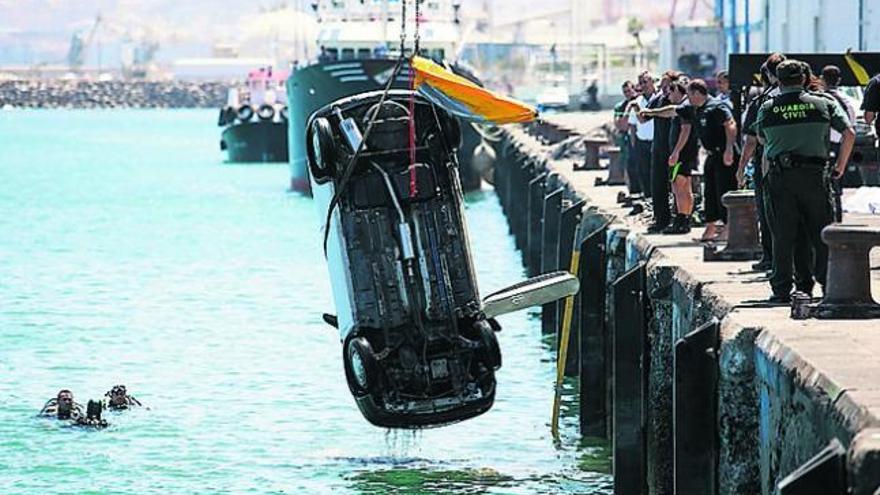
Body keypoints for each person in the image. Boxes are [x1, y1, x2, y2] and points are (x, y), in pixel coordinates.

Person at [751, 60, 855, 302]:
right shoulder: (824, 103)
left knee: (784, 235)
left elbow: (762, 139)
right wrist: (840, 165)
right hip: (815, 175)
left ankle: (783, 289)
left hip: (780, 177)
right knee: (821, 232)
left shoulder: (767, 107)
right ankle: (828, 284)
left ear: (777, 80)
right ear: (805, 78)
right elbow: (849, 132)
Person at [739, 54, 786, 271]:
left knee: (768, 213)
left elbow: (751, 140)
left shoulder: (762, 102)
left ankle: (772, 258)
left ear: (767, 74)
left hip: (769, 164)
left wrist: (740, 170)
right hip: (807, 165)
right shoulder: (811, 98)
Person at [677, 79, 739, 241]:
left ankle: (728, 227)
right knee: (710, 192)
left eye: (689, 94)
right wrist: (650, 112)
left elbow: (731, 125)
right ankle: (710, 228)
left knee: (724, 190)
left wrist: (729, 149)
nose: (687, 98)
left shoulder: (716, 106)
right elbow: (673, 110)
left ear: (697, 93)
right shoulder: (696, 109)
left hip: (725, 155)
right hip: (711, 155)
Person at [639, 70, 681, 232]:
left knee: (678, 184)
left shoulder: (679, 101)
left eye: (667, 85)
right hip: (658, 148)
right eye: (662, 85)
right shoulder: (658, 99)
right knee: (658, 184)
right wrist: (635, 105)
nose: (663, 88)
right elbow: (643, 118)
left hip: (675, 150)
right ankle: (661, 218)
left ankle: (680, 218)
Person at [821, 65, 858, 222]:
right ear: (839, 80)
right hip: (840, 146)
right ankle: (837, 221)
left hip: (821, 145)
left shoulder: (819, 99)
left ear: (822, 79)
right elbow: (851, 128)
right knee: (836, 187)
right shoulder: (847, 101)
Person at [626, 72, 657, 197]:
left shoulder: (659, 99)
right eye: (641, 83)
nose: (643, 85)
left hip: (657, 142)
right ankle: (647, 198)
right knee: (643, 172)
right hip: (642, 141)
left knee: (657, 172)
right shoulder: (638, 101)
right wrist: (634, 144)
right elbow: (633, 124)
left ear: (652, 81)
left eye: (645, 82)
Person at [614, 81, 639, 195]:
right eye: (625, 92)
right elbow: (621, 125)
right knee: (628, 167)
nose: (628, 94)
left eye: (629, 91)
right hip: (627, 140)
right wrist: (628, 110)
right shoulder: (621, 106)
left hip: (641, 138)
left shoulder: (640, 102)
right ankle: (632, 192)